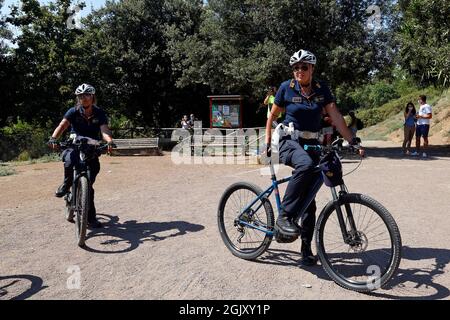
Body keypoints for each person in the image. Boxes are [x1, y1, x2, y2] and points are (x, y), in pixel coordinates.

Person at [265, 49, 362, 266]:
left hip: (312, 144)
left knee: (310, 200)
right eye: (296, 67)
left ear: (312, 69)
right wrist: (267, 142)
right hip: (288, 141)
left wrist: (352, 141)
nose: (299, 70)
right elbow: (272, 116)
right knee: (306, 165)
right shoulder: (285, 88)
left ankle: (306, 250)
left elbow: (335, 115)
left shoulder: (321, 89)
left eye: (304, 67)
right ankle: (285, 218)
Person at [48, 83, 113, 229]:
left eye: (87, 95)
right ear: (78, 98)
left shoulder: (99, 113)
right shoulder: (73, 111)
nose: (84, 98)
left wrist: (109, 142)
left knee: (89, 185)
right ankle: (66, 184)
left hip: (91, 148)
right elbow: (62, 126)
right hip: (74, 145)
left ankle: (90, 218)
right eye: (81, 96)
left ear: (92, 97)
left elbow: (104, 130)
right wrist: (53, 138)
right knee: (69, 160)